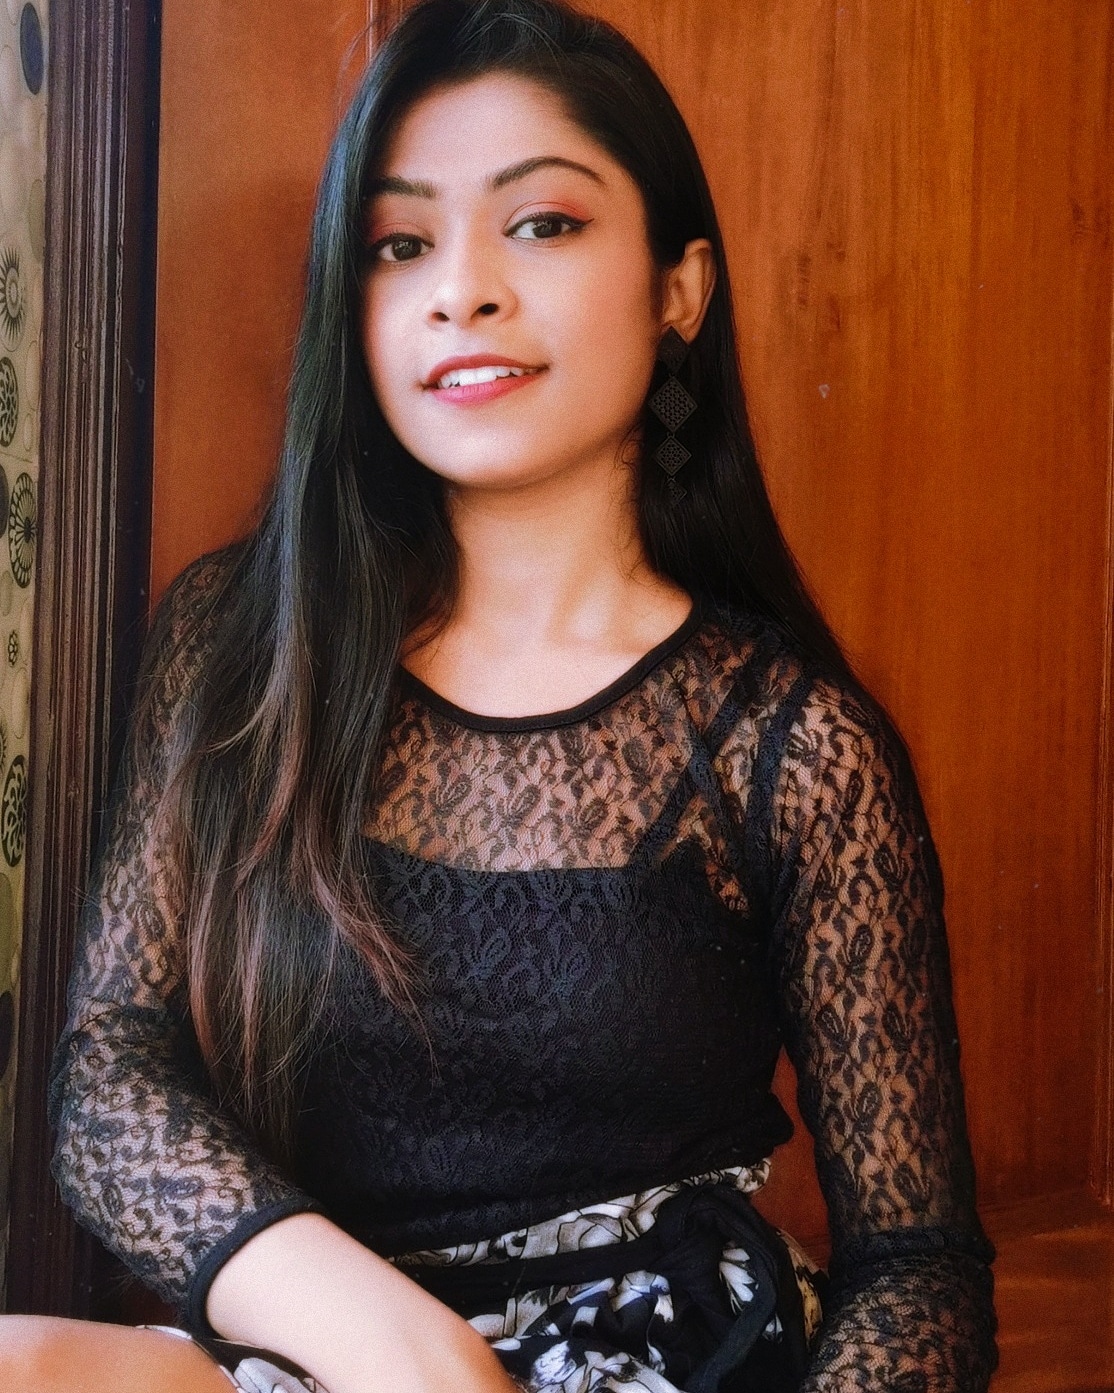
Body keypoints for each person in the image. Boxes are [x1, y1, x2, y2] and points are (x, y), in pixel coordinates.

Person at [1, 1, 997, 1389]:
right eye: (400, 243)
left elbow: (918, 1270)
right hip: (328, 1345)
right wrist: (394, 1343)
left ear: (680, 289)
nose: (459, 289)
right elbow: (112, 1069)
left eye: (541, 223)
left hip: (660, 1354)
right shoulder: (240, 643)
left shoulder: (795, 749)